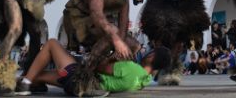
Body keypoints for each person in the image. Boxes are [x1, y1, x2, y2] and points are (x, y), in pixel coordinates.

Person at [14, 39, 171, 96]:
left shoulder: (132, 68)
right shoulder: (144, 80)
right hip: (78, 85)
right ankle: (16, 82)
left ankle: (25, 83)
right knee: (39, 75)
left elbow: (97, 68)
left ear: (151, 56)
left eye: (150, 51)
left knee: (52, 44)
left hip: (80, 80)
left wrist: (111, 57)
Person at [63, 0, 145, 72]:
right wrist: (116, 40)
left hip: (98, 25)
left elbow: (123, 22)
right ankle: (86, 73)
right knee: (112, 34)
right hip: (77, 19)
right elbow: (96, 14)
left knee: (134, 46)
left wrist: (119, 47)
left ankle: (103, 70)